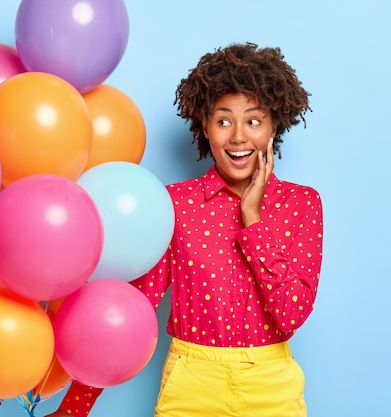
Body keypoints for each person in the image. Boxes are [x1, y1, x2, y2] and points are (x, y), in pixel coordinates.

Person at [46, 42, 323, 417]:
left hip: (272, 385)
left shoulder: (302, 204)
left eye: (254, 121)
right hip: (191, 383)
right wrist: (73, 408)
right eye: (223, 120)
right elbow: (132, 313)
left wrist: (252, 217)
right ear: (204, 126)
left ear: (274, 125)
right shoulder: (173, 205)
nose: (238, 136)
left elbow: (291, 315)